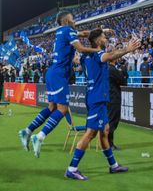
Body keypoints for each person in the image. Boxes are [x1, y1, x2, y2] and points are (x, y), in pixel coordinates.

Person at [18, 11, 107, 157]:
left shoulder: (61, 31)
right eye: (73, 19)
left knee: (52, 107)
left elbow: (84, 34)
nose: (75, 21)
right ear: (66, 21)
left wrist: (101, 31)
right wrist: (98, 51)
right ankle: (39, 136)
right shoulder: (68, 30)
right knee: (63, 109)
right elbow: (81, 49)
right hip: (59, 74)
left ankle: (27, 131)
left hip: (52, 73)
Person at [65, 28, 141, 180]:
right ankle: (72, 168)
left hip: (96, 96)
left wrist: (99, 30)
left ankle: (113, 166)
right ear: (97, 41)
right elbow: (111, 55)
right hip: (98, 98)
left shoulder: (86, 55)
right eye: (103, 36)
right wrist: (128, 49)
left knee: (104, 131)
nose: (106, 38)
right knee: (91, 133)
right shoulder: (98, 54)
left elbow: (78, 57)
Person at [108, 58, 127, 150]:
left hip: (107, 97)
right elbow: (124, 82)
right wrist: (123, 70)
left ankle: (107, 143)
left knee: (109, 120)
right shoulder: (112, 69)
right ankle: (109, 144)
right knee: (112, 121)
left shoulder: (104, 68)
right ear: (114, 60)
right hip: (113, 98)